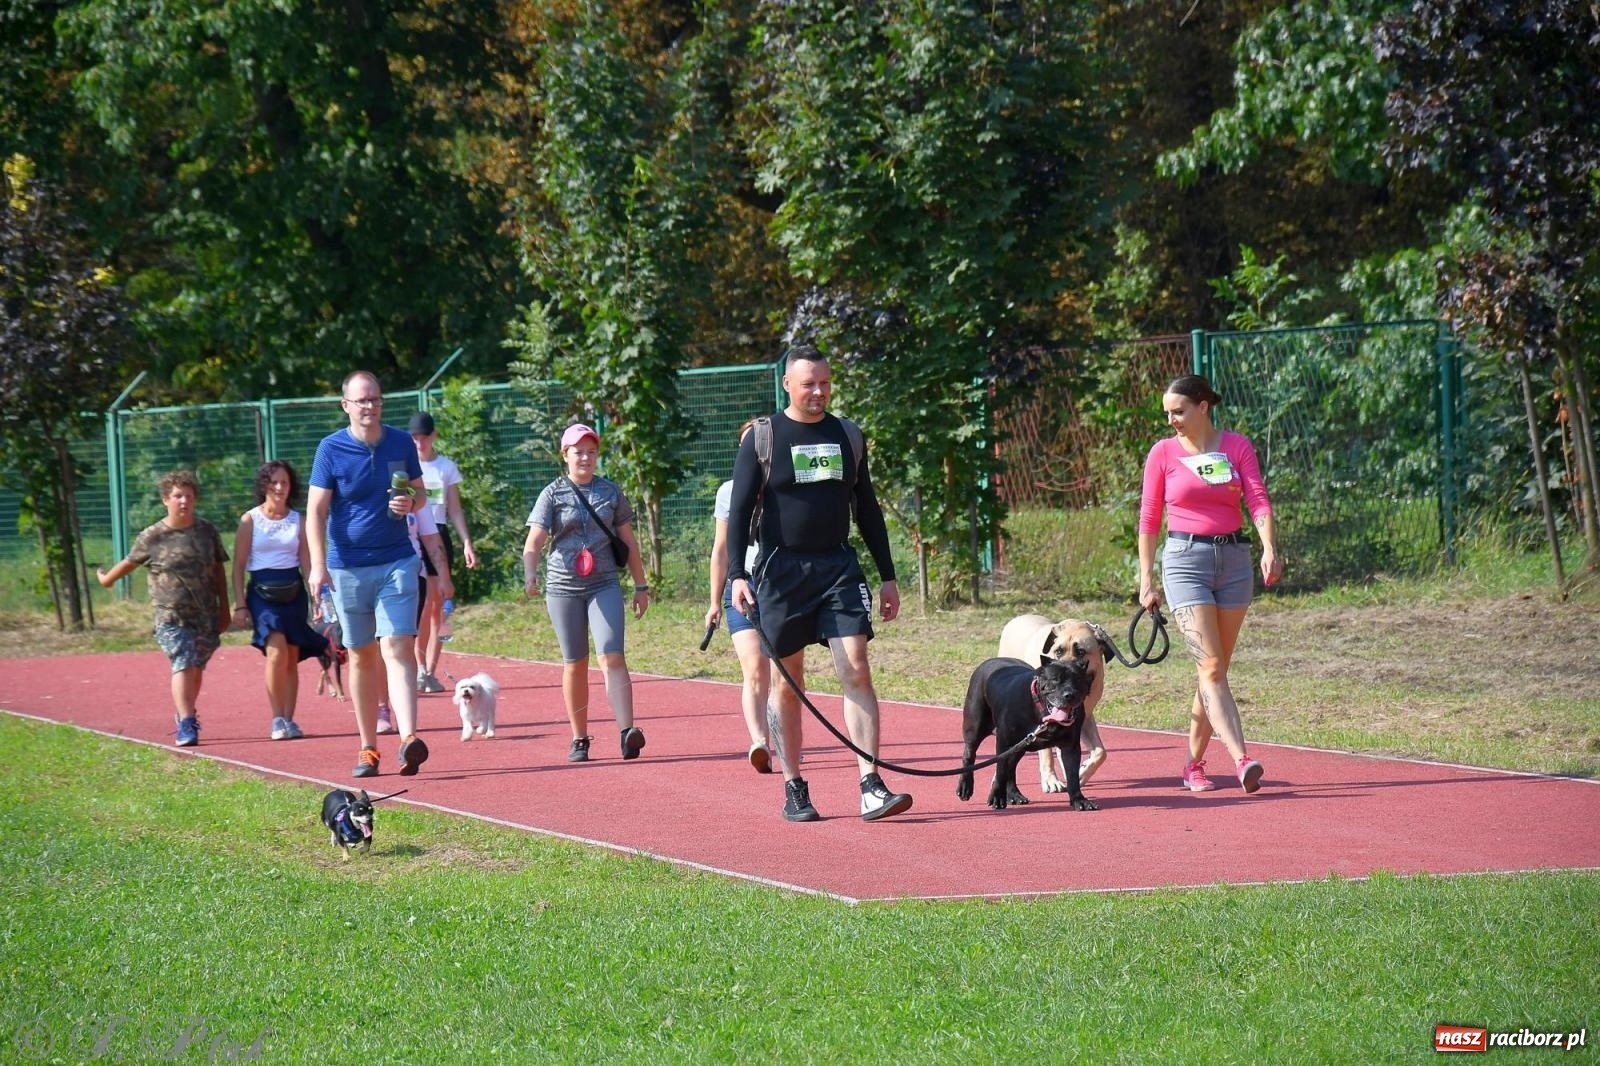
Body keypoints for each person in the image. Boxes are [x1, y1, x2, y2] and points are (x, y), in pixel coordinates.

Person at [726, 344, 913, 823]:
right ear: (787, 384)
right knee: (788, 685)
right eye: (808, 383)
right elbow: (741, 510)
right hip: (781, 573)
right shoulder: (763, 438)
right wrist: (736, 577)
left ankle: (871, 784)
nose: (818, 392)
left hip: (838, 568)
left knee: (856, 666)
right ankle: (795, 787)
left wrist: (888, 576)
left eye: (825, 383)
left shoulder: (848, 435)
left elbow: (867, 509)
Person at [1137, 373, 1281, 794]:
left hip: (1234, 562)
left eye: (1178, 411)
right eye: (1167, 413)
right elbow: (1149, 519)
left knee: (1213, 670)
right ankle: (1242, 759)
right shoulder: (1162, 453)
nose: (1172, 421)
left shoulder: (1236, 446)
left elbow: (1256, 497)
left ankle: (1193, 764)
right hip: (1185, 561)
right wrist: (1146, 578)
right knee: (1212, 667)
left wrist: (1268, 546)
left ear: (1203, 407)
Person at [305, 371, 430, 780]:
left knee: (398, 644)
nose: (370, 406)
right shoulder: (331, 449)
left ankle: (410, 738)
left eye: (375, 399)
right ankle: (369, 748)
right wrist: (319, 566)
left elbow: (421, 493)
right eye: (361, 401)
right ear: (346, 405)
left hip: (397, 559)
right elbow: (317, 511)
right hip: (348, 567)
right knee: (361, 655)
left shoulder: (399, 442)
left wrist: (410, 503)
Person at [523, 422, 652, 763]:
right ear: (565, 455)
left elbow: (628, 542)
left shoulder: (610, 492)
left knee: (612, 654)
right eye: (578, 452)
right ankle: (580, 738)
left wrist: (641, 586)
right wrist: (530, 573)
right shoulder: (551, 494)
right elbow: (534, 540)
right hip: (563, 588)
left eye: (591, 452)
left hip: (604, 583)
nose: (585, 458)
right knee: (575, 662)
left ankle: (628, 732)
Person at [96, 470, 230, 747]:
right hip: (170, 615)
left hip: (205, 614)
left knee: (195, 667)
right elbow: (129, 562)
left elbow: (218, 570)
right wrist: (107, 579)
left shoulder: (207, 531)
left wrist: (225, 609)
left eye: (189, 496)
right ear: (166, 500)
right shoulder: (153, 536)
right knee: (184, 660)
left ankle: (187, 713)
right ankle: (186, 722)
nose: (184, 501)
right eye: (178, 496)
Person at [230, 460, 329, 740]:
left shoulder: (299, 520)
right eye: (273, 482)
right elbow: (237, 566)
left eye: (284, 482)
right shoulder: (250, 520)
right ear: (263, 485)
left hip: (293, 591)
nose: (279, 487)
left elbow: (307, 563)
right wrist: (239, 604)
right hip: (262, 593)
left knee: (292, 657)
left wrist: (317, 598)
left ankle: (289, 718)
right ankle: (276, 719)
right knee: (276, 652)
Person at [705, 418, 777, 773]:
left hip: (781, 584)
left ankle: (786, 736)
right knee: (755, 669)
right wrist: (714, 601)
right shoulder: (727, 492)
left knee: (783, 672)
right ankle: (759, 742)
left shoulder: (783, 487)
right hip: (742, 585)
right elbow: (721, 550)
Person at [408, 410, 476, 695]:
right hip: (413, 536)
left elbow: (455, 510)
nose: (420, 443)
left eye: (425, 437)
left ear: (434, 436)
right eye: (415, 438)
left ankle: (429, 672)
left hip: (438, 535)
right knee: (420, 607)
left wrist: (466, 542)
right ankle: (417, 667)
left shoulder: (446, 467)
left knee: (437, 607)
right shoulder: (406, 468)